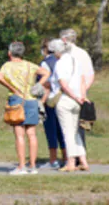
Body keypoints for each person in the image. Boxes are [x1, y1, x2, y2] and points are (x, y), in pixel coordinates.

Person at [0, 41, 48, 175]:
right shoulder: (30, 65)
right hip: (31, 100)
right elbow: (46, 72)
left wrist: (12, 88)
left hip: (16, 99)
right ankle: (33, 166)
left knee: (19, 135)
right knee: (32, 134)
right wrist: (38, 85)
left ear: (9, 53)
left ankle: (21, 166)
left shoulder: (7, 66)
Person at [49, 39, 90, 172]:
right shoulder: (75, 61)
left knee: (67, 132)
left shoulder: (60, 63)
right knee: (75, 131)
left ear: (57, 51)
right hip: (78, 100)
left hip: (66, 99)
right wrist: (82, 97)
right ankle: (83, 161)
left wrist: (74, 96)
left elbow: (63, 84)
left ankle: (70, 162)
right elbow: (83, 80)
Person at [60, 28, 94, 159]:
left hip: (69, 94)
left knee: (70, 127)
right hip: (80, 93)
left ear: (64, 40)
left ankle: (72, 158)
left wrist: (79, 94)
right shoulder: (83, 53)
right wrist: (83, 93)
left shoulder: (66, 54)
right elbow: (90, 75)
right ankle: (80, 157)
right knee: (78, 126)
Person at [38, 38, 66, 169]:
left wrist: (41, 101)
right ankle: (66, 157)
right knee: (63, 130)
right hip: (64, 97)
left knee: (51, 130)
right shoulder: (63, 61)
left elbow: (46, 83)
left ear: (45, 49)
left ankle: (53, 159)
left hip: (51, 100)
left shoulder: (45, 63)